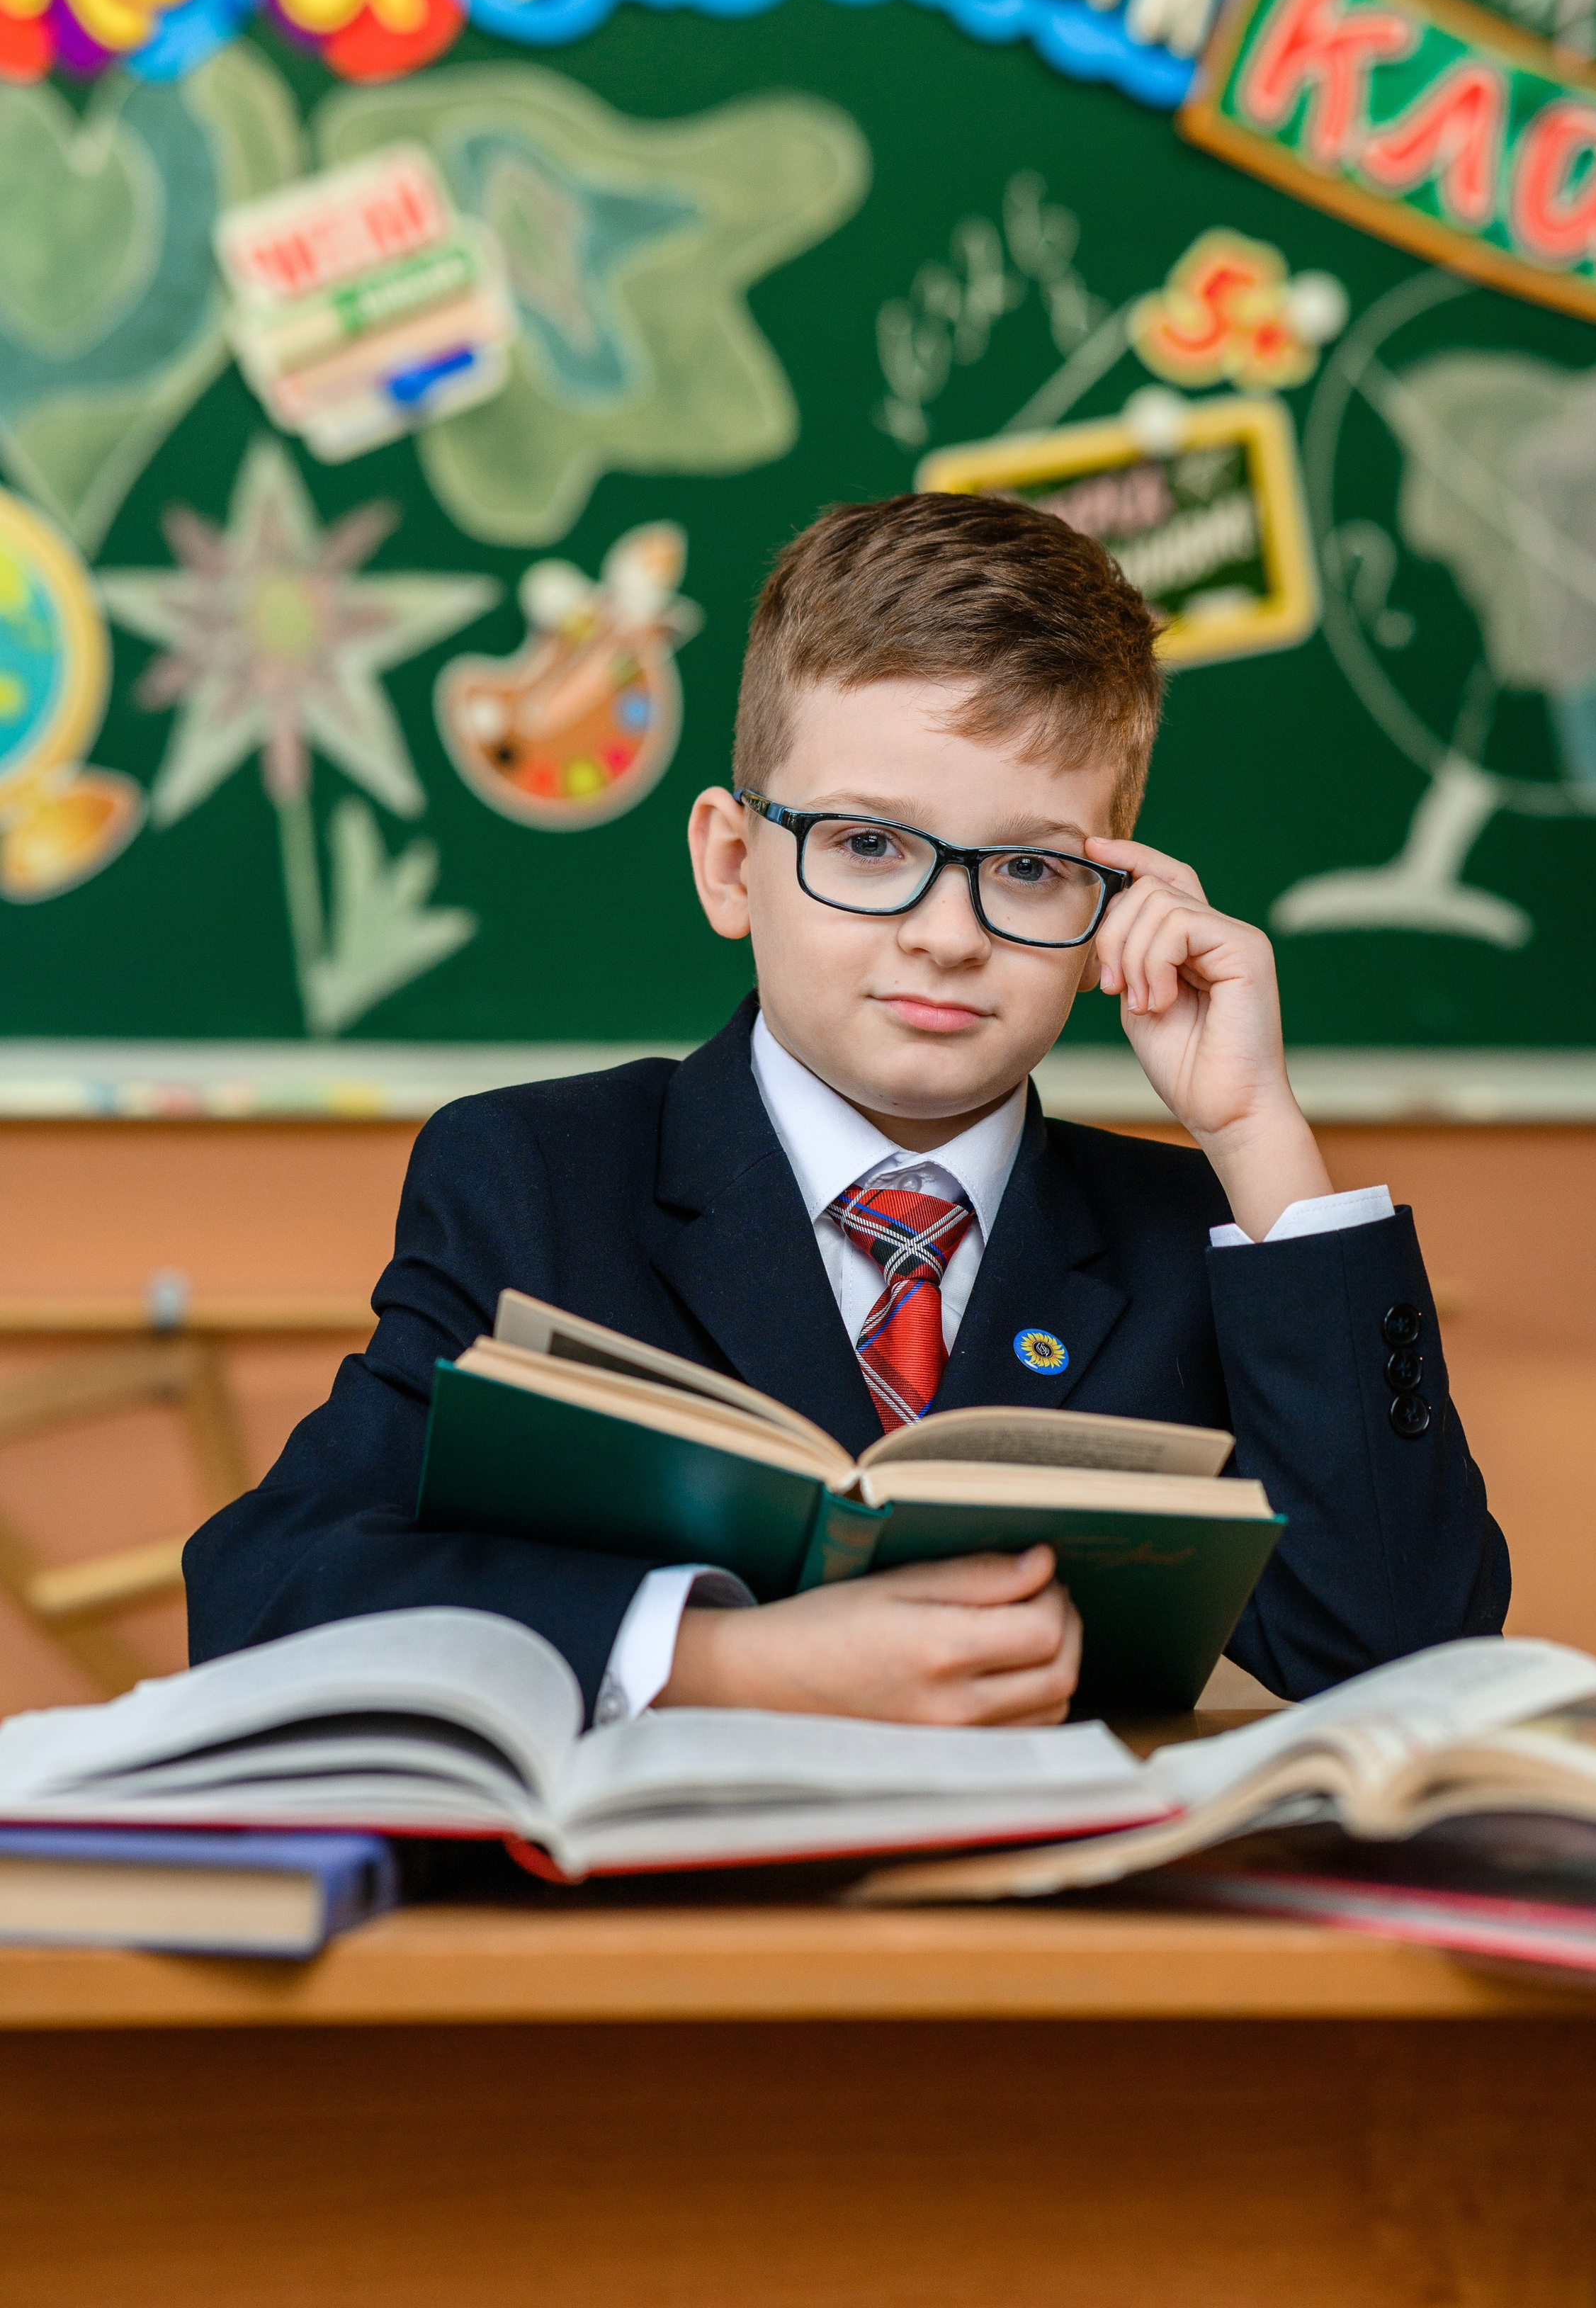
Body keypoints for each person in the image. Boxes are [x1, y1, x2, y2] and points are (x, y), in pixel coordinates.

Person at [186, 492, 1507, 1723]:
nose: (946, 935)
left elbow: (1408, 1654)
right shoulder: (535, 1179)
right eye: (870, 845)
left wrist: (1260, 1137)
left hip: (1057, 1950)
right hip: (675, 1945)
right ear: (731, 863)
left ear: (1114, 911)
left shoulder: (1187, 1237)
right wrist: (723, 1661)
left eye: (1034, 866)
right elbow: (264, 1596)